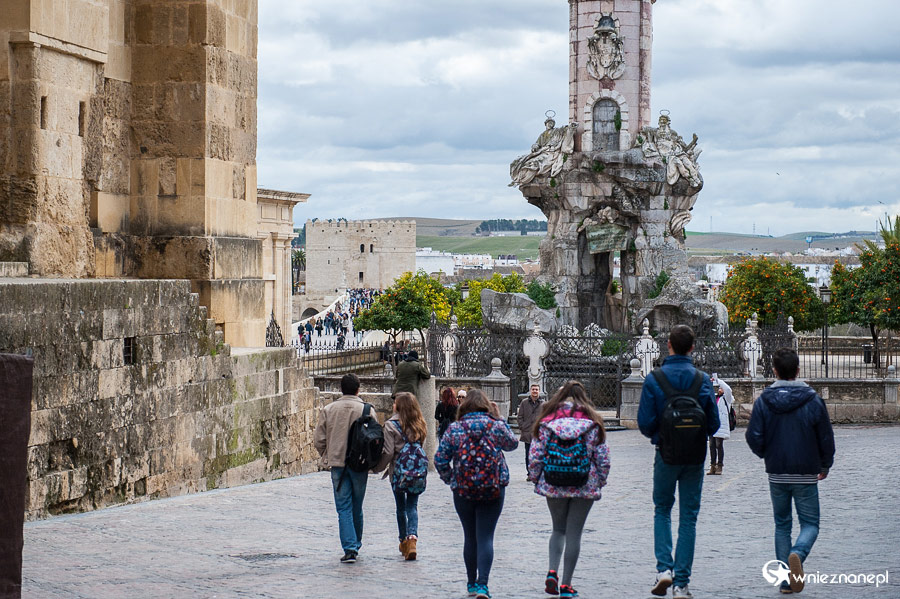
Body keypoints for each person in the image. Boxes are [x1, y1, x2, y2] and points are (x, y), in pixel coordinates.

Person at [638, 325, 719, 599]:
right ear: (692, 348)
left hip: (666, 453)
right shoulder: (702, 380)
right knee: (688, 517)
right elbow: (714, 423)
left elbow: (644, 423)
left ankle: (664, 569)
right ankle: (681, 584)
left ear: (668, 345)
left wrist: (662, 435)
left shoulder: (655, 379)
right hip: (695, 456)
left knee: (662, 509)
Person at [746, 348, 835, 595]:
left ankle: (786, 579)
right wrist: (825, 463)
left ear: (774, 371)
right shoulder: (813, 400)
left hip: (777, 472)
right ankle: (798, 552)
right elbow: (825, 437)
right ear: (798, 370)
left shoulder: (764, 400)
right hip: (806, 471)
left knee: (782, 525)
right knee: (810, 524)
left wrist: (767, 454)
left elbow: (753, 436)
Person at [528, 381, 610, 599]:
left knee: (558, 530)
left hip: (553, 481)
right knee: (574, 534)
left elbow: (535, 456)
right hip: (584, 483)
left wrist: (536, 478)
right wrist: (600, 480)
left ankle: (552, 571)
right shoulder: (592, 422)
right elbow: (603, 458)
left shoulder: (547, 421)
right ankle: (566, 585)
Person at [435, 390, 518, 599]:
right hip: (493, 487)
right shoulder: (495, 426)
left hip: (463, 490)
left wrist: (451, 479)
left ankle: (471, 583)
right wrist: (499, 419)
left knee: (470, 536)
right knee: (486, 536)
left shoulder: (455, 429)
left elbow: (440, 459)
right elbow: (512, 444)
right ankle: (483, 585)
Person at [313, 373, 368, 563]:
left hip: (338, 464)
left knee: (343, 507)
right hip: (359, 464)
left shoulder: (329, 409)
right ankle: (356, 543)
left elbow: (319, 439)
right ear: (358, 389)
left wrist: (327, 454)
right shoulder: (366, 410)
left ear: (340, 389)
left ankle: (350, 548)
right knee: (357, 506)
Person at [373, 392, 428, 561]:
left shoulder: (391, 425)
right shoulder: (420, 423)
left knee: (400, 507)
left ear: (399, 406)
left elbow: (389, 452)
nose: (393, 405)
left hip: (398, 471)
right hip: (416, 472)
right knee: (412, 506)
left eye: (395, 403)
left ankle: (403, 540)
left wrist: (377, 468)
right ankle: (412, 539)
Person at [707, 374, 732, 475]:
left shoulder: (727, 399)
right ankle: (712, 465)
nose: (720, 389)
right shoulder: (715, 397)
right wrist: (710, 382)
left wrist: (718, 381)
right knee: (711, 445)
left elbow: (728, 389)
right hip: (712, 424)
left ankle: (720, 465)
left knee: (719, 445)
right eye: (719, 388)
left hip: (721, 425)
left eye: (721, 388)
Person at [517, 384, 544, 471]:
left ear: (539, 391)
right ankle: (529, 472)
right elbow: (520, 416)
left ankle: (537, 471)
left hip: (538, 433)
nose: (535, 391)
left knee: (539, 454)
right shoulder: (524, 402)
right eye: (533, 389)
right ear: (530, 391)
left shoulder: (543, 404)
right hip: (527, 432)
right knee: (528, 454)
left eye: (536, 389)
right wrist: (522, 426)